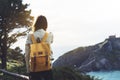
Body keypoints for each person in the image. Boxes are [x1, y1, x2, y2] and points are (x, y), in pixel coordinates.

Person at [25, 15, 53, 80]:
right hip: (47, 68)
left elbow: (27, 54)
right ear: (46, 24)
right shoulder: (49, 35)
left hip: (34, 69)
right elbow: (51, 43)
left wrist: (28, 70)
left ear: (36, 24)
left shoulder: (30, 36)